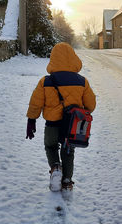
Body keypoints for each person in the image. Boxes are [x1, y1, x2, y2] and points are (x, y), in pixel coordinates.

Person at [25, 42, 96, 191]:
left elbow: (35, 103)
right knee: (68, 150)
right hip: (71, 125)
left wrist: (31, 120)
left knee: (50, 146)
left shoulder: (46, 81)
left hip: (51, 124)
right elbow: (91, 106)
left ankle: (56, 167)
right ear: (73, 58)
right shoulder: (82, 81)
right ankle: (67, 180)